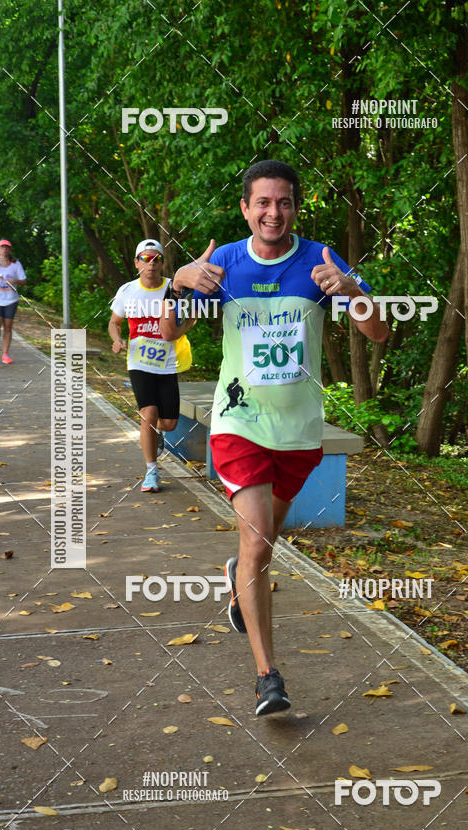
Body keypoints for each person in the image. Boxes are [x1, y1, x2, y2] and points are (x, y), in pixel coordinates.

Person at [161, 159, 388, 715]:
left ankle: (239, 575)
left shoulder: (320, 262)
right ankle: (268, 676)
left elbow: (379, 331)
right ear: (245, 208)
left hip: (299, 431)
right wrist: (177, 282)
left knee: (259, 549)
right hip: (239, 424)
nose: (272, 212)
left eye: (283, 202)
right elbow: (167, 334)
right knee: (259, 538)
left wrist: (353, 289)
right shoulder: (224, 266)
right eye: (262, 202)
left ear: (295, 207)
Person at [109, 238, 209, 492]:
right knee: (148, 416)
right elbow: (114, 322)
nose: (150, 264)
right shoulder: (127, 291)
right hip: (138, 364)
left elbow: (191, 317)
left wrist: (182, 328)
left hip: (167, 364)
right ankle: (151, 472)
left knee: (169, 423)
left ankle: (157, 436)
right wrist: (117, 339)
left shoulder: (173, 289)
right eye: (145, 259)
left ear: (162, 263)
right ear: (136, 263)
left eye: (155, 259)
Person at [0, 239, 26, 364]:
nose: (4, 250)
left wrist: (15, 280)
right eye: (2, 247)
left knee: (8, 327)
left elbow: (24, 281)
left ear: (10, 249)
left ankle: (5, 354)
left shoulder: (15, 264)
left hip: (11, 300)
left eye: (6, 247)